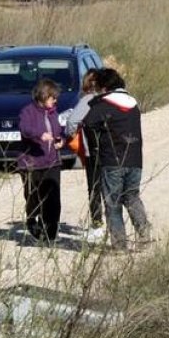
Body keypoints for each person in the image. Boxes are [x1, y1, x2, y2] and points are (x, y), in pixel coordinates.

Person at [83, 68, 151, 251]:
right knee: (132, 197)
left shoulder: (103, 105)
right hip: (135, 159)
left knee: (112, 202)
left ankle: (120, 245)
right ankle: (144, 237)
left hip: (112, 161)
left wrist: (95, 148)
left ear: (104, 87)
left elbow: (88, 124)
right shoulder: (133, 104)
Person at [17, 78, 64, 243]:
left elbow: (58, 131)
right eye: (52, 97)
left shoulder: (54, 113)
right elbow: (24, 129)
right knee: (34, 197)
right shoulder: (27, 112)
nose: (55, 100)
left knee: (53, 199)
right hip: (32, 163)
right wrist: (39, 134)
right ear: (43, 96)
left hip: (52, 162)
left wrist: (60, 140)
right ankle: (32, 219)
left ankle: (50, 234)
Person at [64, 68, 103, 230]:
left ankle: (97, 224)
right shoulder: (112, 98)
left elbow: (72, 122)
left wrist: (70, 136)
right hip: (116, 150)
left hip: (92, 151)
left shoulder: (88, 100)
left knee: (94, 188)